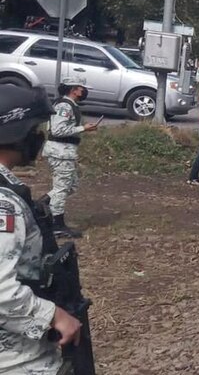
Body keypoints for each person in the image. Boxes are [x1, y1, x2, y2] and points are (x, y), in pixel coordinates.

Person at [0, 84, 85, 374]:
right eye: (34, 129)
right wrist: (54, 316)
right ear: (14, 135)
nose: (39, 137)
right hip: (18, 360)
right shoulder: (4, 204)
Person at [43, 77, 98, 239]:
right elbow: (58, 130)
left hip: (65, 152)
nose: (83, 91)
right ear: (73, 89)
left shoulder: (69, 105)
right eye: (81, 88)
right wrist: (83, 128)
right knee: (61, 188)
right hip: (60, 152)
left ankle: (44, 204)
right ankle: (56, 225)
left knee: (71, 186)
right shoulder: (64, 106)